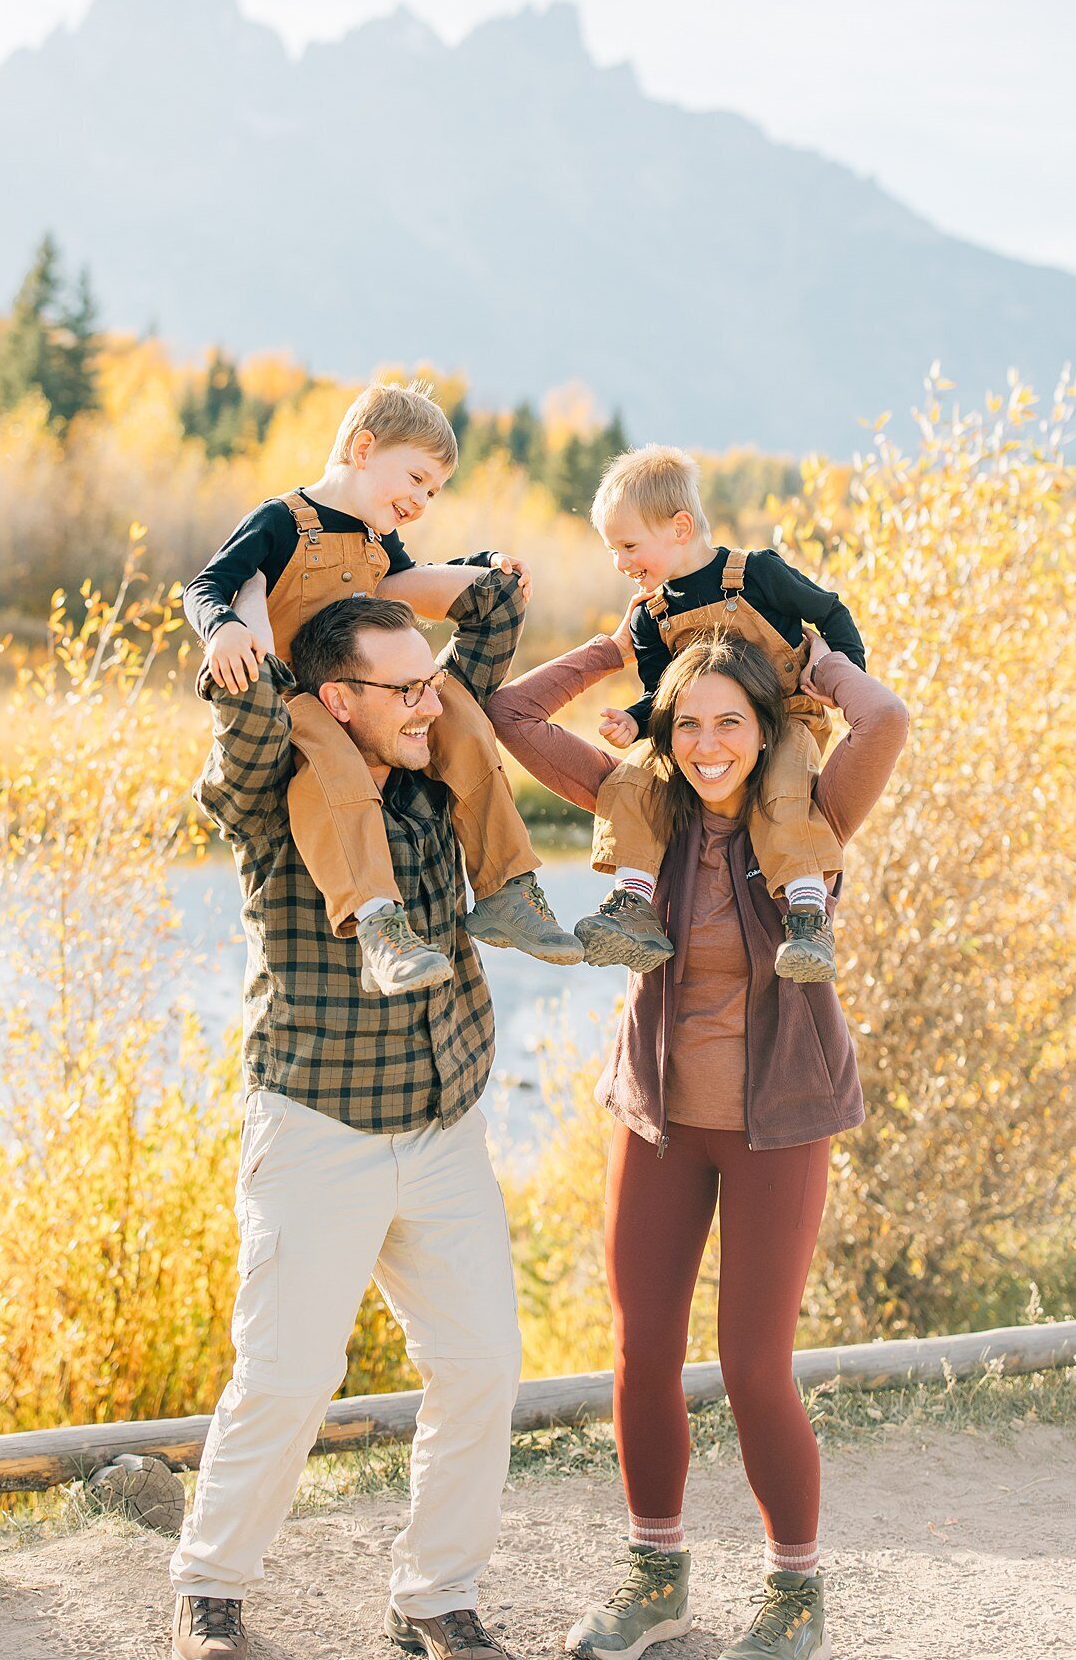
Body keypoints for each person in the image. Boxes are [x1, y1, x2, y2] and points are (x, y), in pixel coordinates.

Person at [488, 624, 907, 1660]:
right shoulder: (645, 804)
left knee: (755, 1364)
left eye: (732, 721)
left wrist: (819, 670)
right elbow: (507, 715)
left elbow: (885, 718)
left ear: (766, 731)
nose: (711, 742)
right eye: (690, 723)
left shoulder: (814, 810)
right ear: (667, 733)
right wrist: (607, 644)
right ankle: (656, 1577)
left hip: (780, 1117)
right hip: (660, 1116)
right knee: (639, 1354)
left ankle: (796, 1588)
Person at [170, 575, 532, 1660]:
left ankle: (436, 1594)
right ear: (336, 696)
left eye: (433, 682)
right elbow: (240, 724)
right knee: (285, 1375)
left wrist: (415, 570)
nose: (433, 702)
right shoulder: (274, 789)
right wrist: (227, 625)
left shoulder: (431, 775)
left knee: (482, 1366)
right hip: (319, 1126)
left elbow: (492, 625)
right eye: (407, 687)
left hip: (443, 1125)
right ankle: (210, 1588)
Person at [183, 380, 581, 993]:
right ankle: (378, 925)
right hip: (301, 700)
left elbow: (411, 580)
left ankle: (507, 888)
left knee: (464, 721)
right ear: (364, 448)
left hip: (372, 689)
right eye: (417, 478)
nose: (423, 499)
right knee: (336, 768)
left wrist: (484, 565)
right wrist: (225, 628)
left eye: (435, 490)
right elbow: (206, 584)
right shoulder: (280, 521)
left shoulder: (376, 536)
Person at [573, 445, 867, 986]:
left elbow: (829, 611)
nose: (619, 562)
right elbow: (663, 694)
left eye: (629, 545)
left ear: (680, 526)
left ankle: (807, 917)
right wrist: (638, 724)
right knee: (635, 774)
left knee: (783, 784)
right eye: (613, 549)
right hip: (699, 734)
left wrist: (847, 678)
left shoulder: (757, 574)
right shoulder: (650, 618)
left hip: (787, 717)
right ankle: (633, 902)